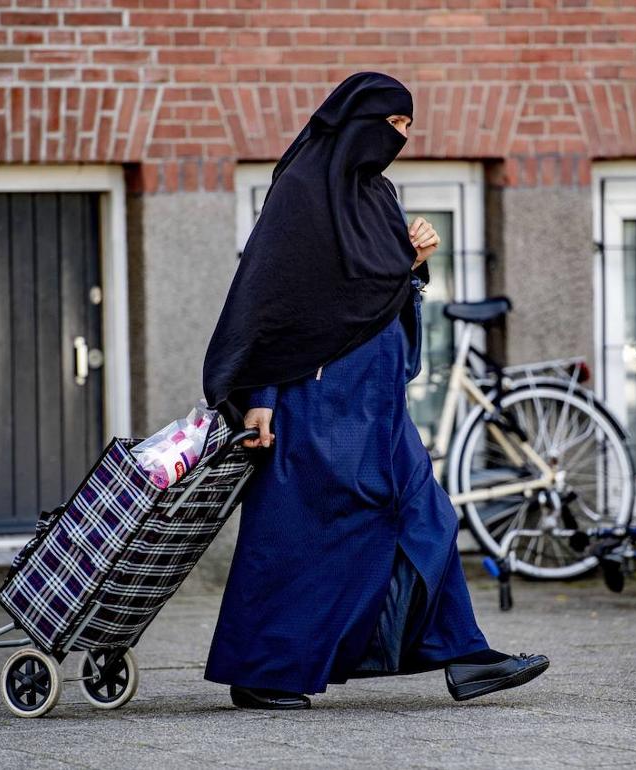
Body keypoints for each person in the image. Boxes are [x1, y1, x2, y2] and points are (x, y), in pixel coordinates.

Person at [199, 72, 549, 710]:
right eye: (396, 125)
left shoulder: (378, 194)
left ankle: (464, 654)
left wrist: (414, 264)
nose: (405, 139)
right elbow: (270, 308)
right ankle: (262, 672)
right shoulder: (300, 194)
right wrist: (262, 398)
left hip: (379, 403)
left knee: (425, 515)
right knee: (304, 534)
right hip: (315, 403)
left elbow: (378, 294)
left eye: (410, 127)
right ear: (359, 121)